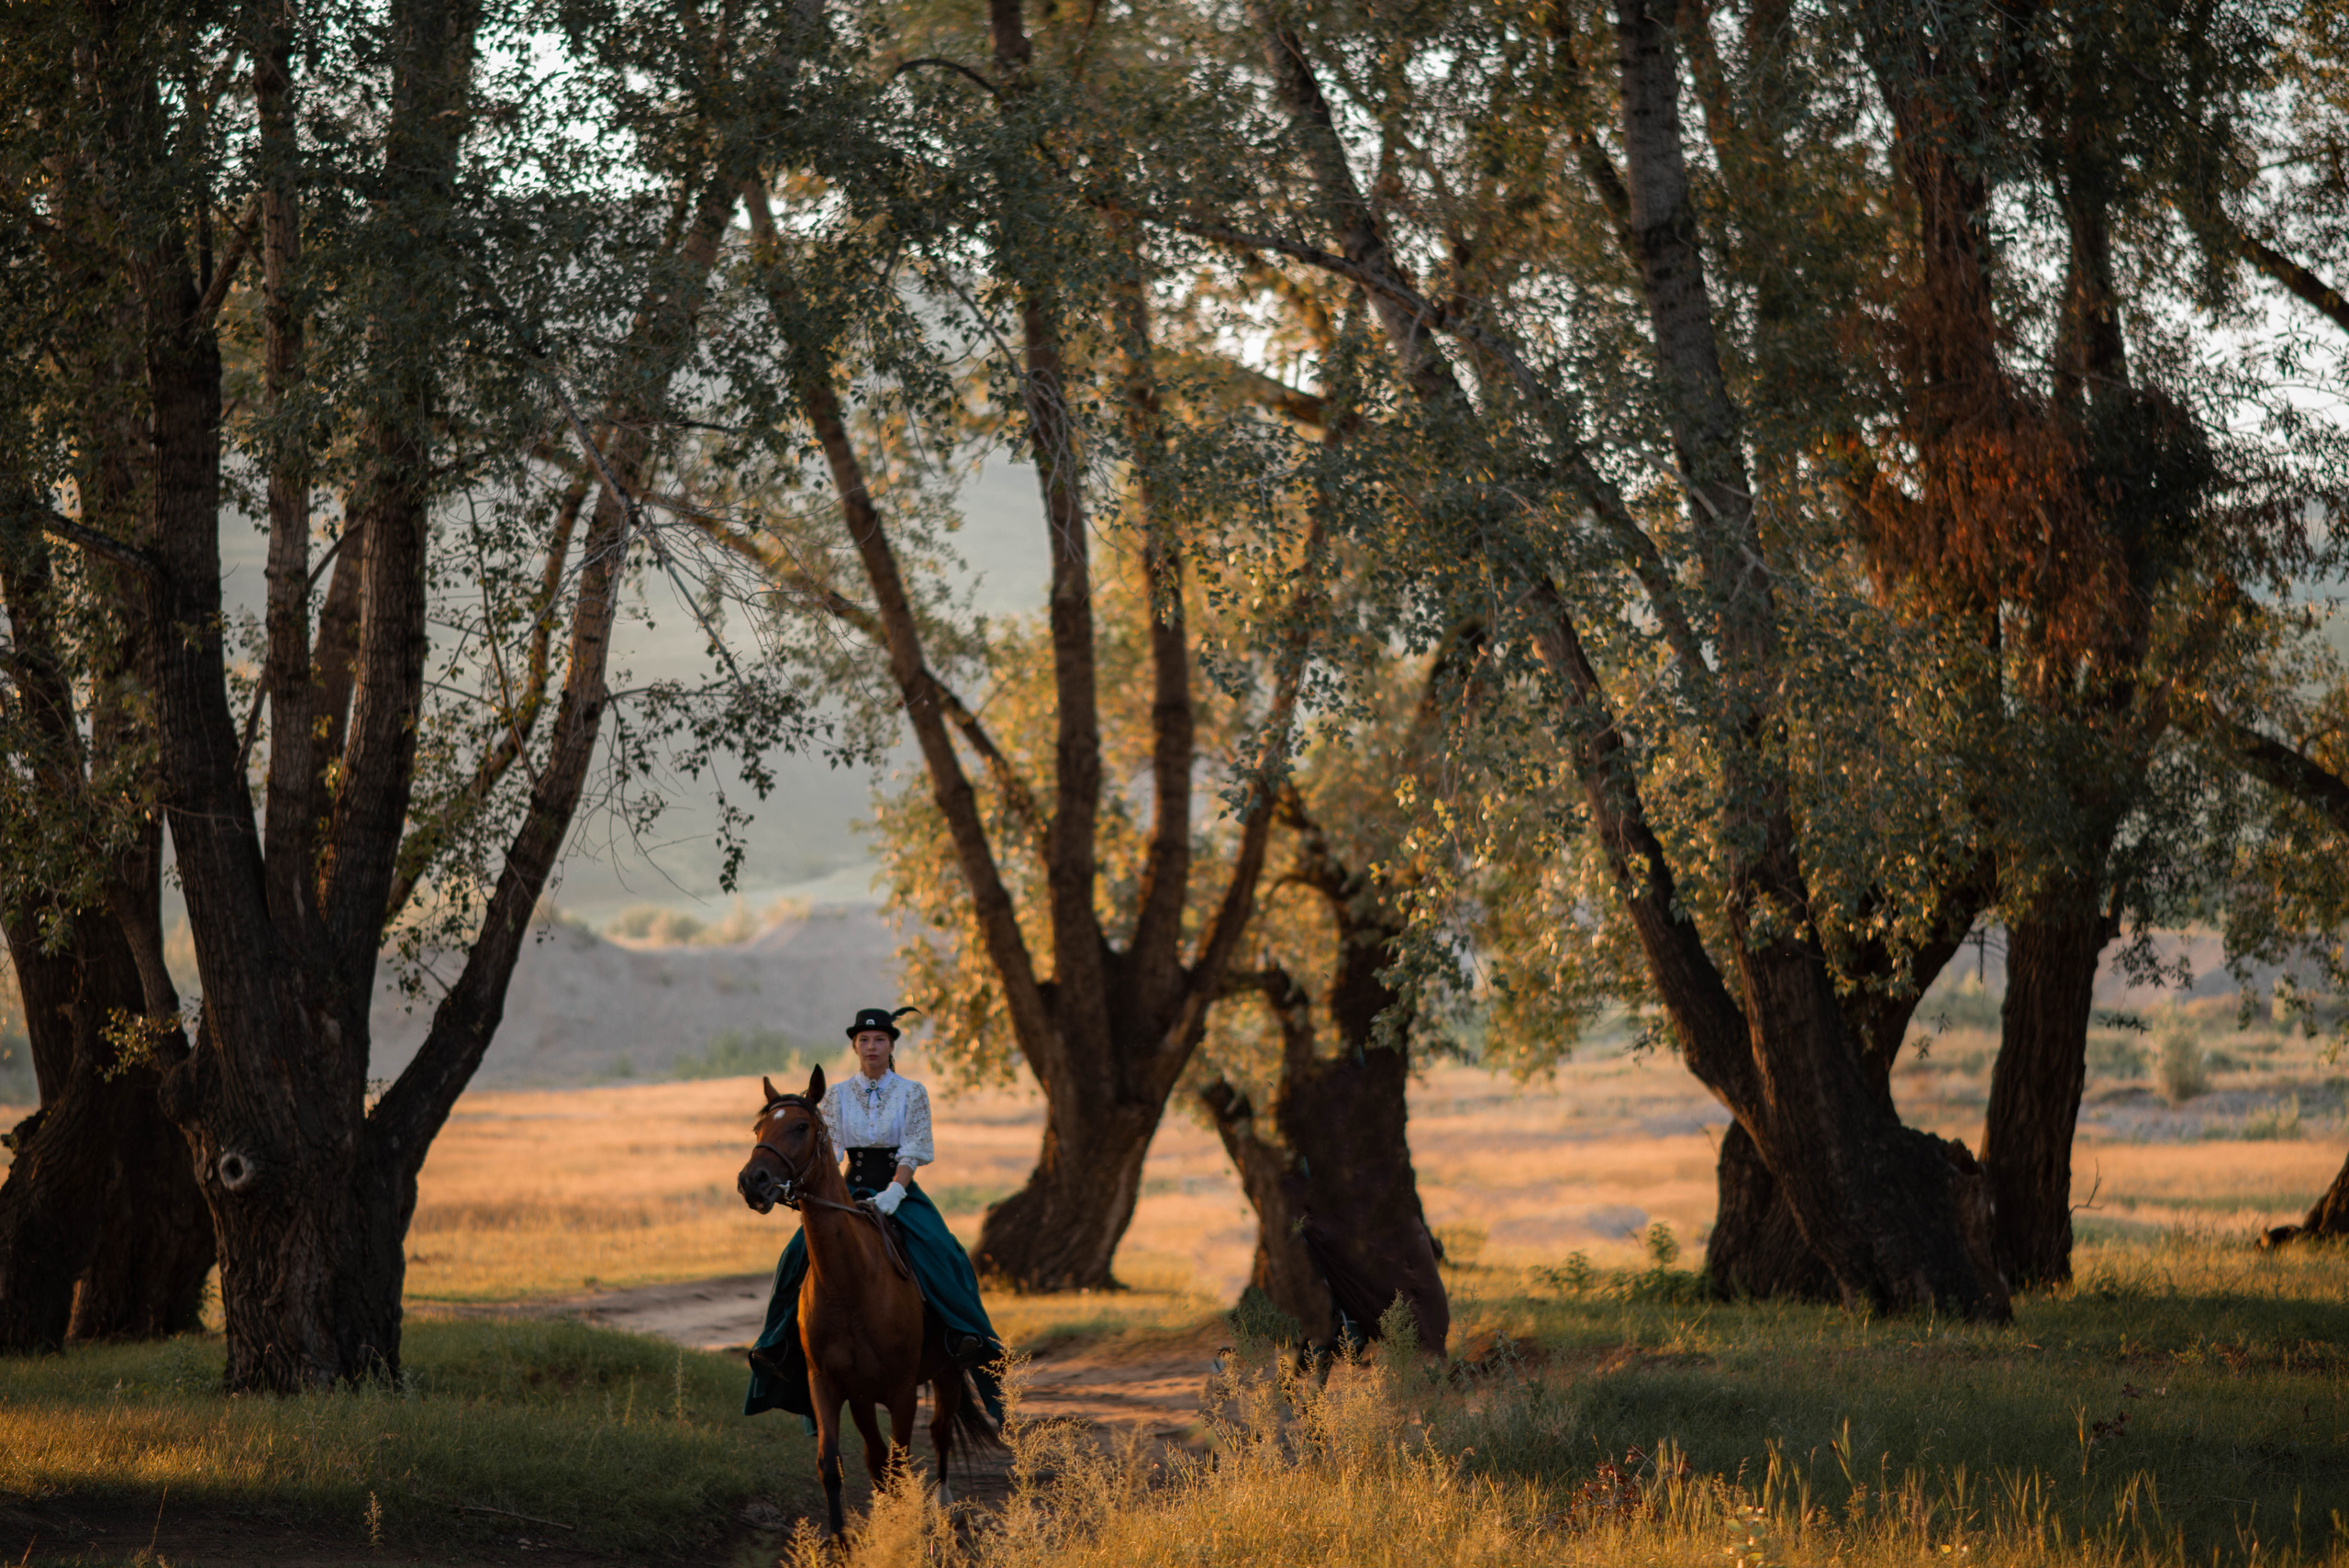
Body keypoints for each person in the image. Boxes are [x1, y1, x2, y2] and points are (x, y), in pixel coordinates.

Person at [743, 1006, 1006, 1429]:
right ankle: (776, 1344)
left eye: (879, 1040)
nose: (871, 1047)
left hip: (900, 1190)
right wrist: (809, 1188)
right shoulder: (838, 1095)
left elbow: (914, 1149)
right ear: (855, 1047)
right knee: (795, 1256)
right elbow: (827, 1152)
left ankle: (965, 1337)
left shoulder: (912, 1092)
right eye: (864, 1041)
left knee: (942, 1250)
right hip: (848, 1191)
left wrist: (895, 1193)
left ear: (890, 1046)